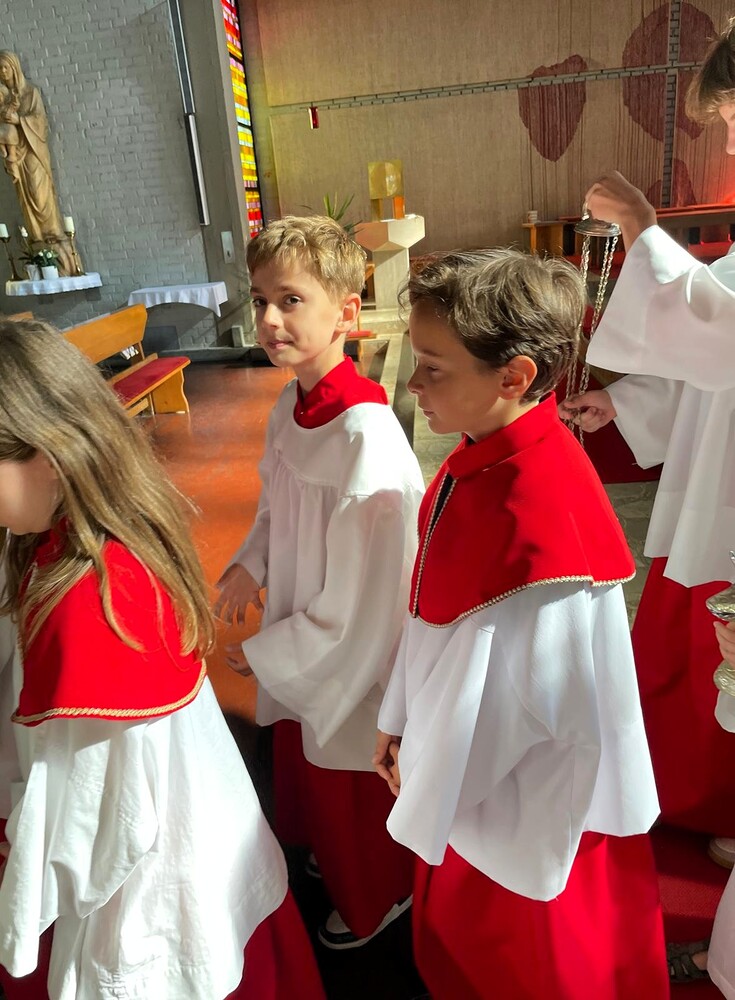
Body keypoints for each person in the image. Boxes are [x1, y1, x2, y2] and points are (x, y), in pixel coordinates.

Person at [0, 318, 325, 1000]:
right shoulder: (87, 537)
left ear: (49, 455)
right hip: (194, 824)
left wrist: (26, 864)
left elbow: (101, 826)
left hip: (146, 881)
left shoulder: (91, 604)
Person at [374, 249, 668, 1000]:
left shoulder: (539, 523)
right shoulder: (476, 457)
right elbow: (430, 612)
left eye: (433, 368)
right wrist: (398, 716)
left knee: (526, 966)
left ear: (514, 377)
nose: (413, 385)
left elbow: (524, 712)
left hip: (513, 799)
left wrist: (422, 766)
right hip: (457, 763)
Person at [216, 216, 425, 949]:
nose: (269, 319)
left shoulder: (366, 439)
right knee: (309, 762)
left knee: (348, 772)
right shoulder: (290, 405)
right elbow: (276, 502)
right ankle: (331, 860)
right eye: (260, 300)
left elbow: (369, 602)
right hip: (305, 628)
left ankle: (380, 894)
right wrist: (253, 560)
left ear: (346, 312)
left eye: (291, 300)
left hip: (350, 654)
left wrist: (276, 652)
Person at [559, 19, 735, 867]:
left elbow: (721, 335)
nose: (729, 143)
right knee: (687, 654)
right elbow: (710, 352)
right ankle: (705, 800)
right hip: (713, 484)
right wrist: (623, 403)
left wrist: (641, 228)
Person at [0, 52, 72, 274]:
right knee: (25, 199)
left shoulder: (30, 93)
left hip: (33, 154)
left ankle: (53, 236)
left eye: (5, 67)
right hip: (17, 156)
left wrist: (19, 120)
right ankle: (37, 239)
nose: (2, 72)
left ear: (14, 68)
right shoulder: (3, 97)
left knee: (40, 197)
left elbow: (41, 123)